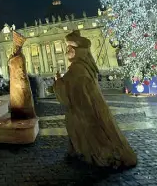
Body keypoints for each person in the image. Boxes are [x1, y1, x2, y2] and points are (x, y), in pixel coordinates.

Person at [54, 30, 137, 170]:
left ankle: (93, 153)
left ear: (77, 51)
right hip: (88, 108)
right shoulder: (85, 67)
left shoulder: (77, 70)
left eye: (69, 48)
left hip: (83, 112)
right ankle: (84, 151)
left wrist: (58, 82)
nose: (66, 51)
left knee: (86, 132)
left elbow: (69, 91)